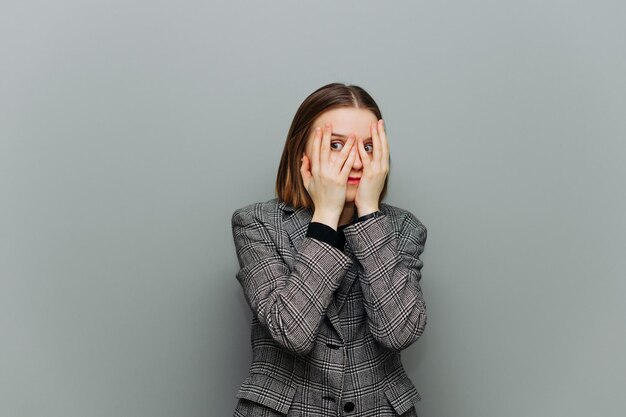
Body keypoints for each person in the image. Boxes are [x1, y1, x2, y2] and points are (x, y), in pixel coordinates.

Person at [231, 83, 428, 416]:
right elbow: (291, 331)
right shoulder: (256, 223)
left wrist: (368, 211)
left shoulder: (405, 229)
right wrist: (325, 216)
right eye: (336, 145)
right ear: (302, 154)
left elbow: (398, 332)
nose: (355, 161)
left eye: (368, 147)